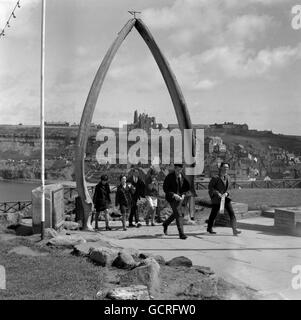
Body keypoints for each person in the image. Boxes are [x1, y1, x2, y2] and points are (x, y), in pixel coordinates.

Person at [207, 162, 242, 236]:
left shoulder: (228, 177)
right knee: (213, 214)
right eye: (224, 167)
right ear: (221, 168)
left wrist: (227, 193)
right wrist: (217, 193)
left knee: (232, 213)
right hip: (217, 199)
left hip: (226, 198)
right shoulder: (215, 177)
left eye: (227, 167)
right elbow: (210, 188)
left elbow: (229, 188)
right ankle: (209, 228)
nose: (226, 169)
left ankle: (234, 229)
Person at [162, 163, 190, 239]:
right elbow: (165, 189)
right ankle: (181, 233)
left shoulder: (183, 177)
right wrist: (174, 195)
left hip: (181, 198)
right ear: (175, 169)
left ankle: (165, 223)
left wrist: (183, 194)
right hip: (172, 198)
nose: (179, 171)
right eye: (177, 169)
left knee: (176, 214)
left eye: (180, 170)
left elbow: (187, 187)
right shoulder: (169, 177)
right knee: (178, 214)